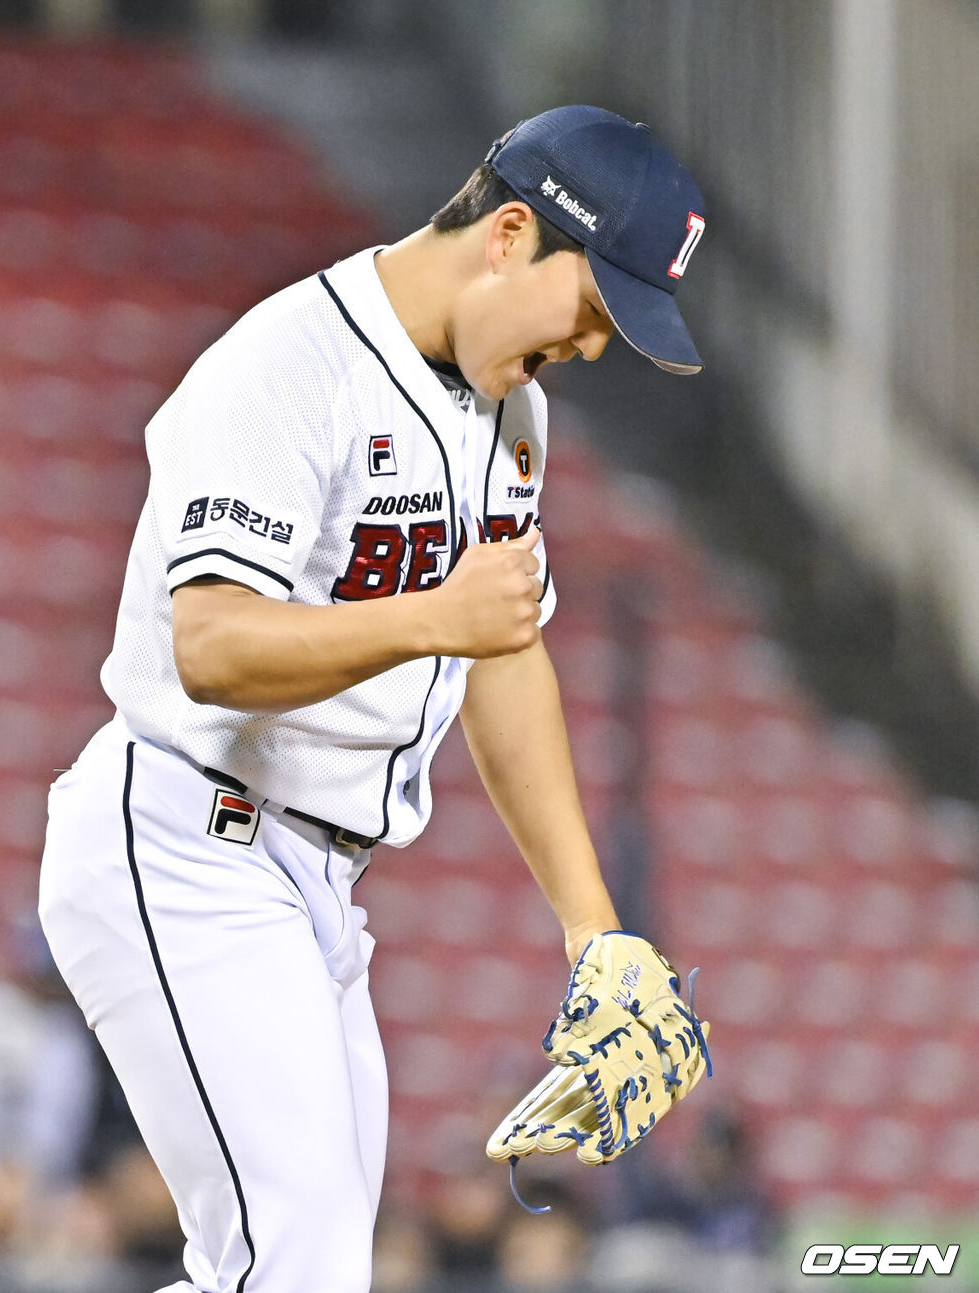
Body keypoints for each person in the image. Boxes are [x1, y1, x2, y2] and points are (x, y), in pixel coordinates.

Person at [38, 105, 707, 1293]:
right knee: (295, 1268)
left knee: (309, 1272)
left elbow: (504, 653)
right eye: (593, 308)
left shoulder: (514, 411)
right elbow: (213, 645)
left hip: (315, 885)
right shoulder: (287, 364)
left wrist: (594, 929)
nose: (594, 348)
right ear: (509, 234)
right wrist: (431, 621)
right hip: (187, 840)